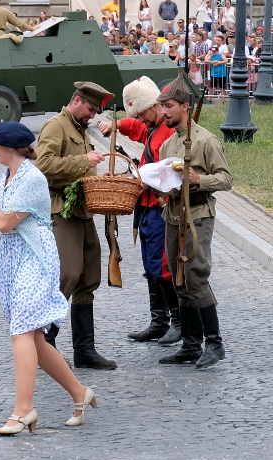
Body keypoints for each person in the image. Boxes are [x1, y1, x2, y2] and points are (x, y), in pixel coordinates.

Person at [0, 122, 97, 435]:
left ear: (10, 147)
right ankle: (80, 393)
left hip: (35, 258)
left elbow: (3, 223)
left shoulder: (32, 178)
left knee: (21, 331)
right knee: (34, 338)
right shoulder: (1, 181)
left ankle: (23, 410)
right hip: (10, 262)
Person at [35, 81, 117, 369]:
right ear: (78, 100)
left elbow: (81, 170)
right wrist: (83, 160)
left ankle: (84, 351)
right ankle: (46, 345)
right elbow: (42, 166)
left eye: (95, 112)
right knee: (66, 275)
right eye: (91, 109)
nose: (93, 116)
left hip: (83, 211)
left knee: (88, 278)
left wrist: (99, 180)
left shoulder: (80, 128)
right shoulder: (56, 126)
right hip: (61, 211)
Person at [153, 76, 232, 368]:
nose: (164, 112)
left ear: (185, 106)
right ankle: (189, 344)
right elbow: (166, 182)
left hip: (198, 214)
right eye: (162, 107)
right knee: (180, 280)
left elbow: (226, 179)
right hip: (173, 215)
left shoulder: (205, 140)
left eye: (169, 106)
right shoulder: (168, 143)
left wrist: (199, 179)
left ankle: (215, 344)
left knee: (196, 278)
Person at [99, 76, 180, 345]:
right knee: (150, 267)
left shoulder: (168, 132)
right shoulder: (152, 127)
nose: (141, 120)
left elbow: (169, 174)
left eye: (142, 113)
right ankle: (159, 322)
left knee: (162, 267)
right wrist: (115, 124)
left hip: (160, 207)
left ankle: (178, 321)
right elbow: (134, 125)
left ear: (154, 106)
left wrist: (139, 181)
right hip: (145, 208)